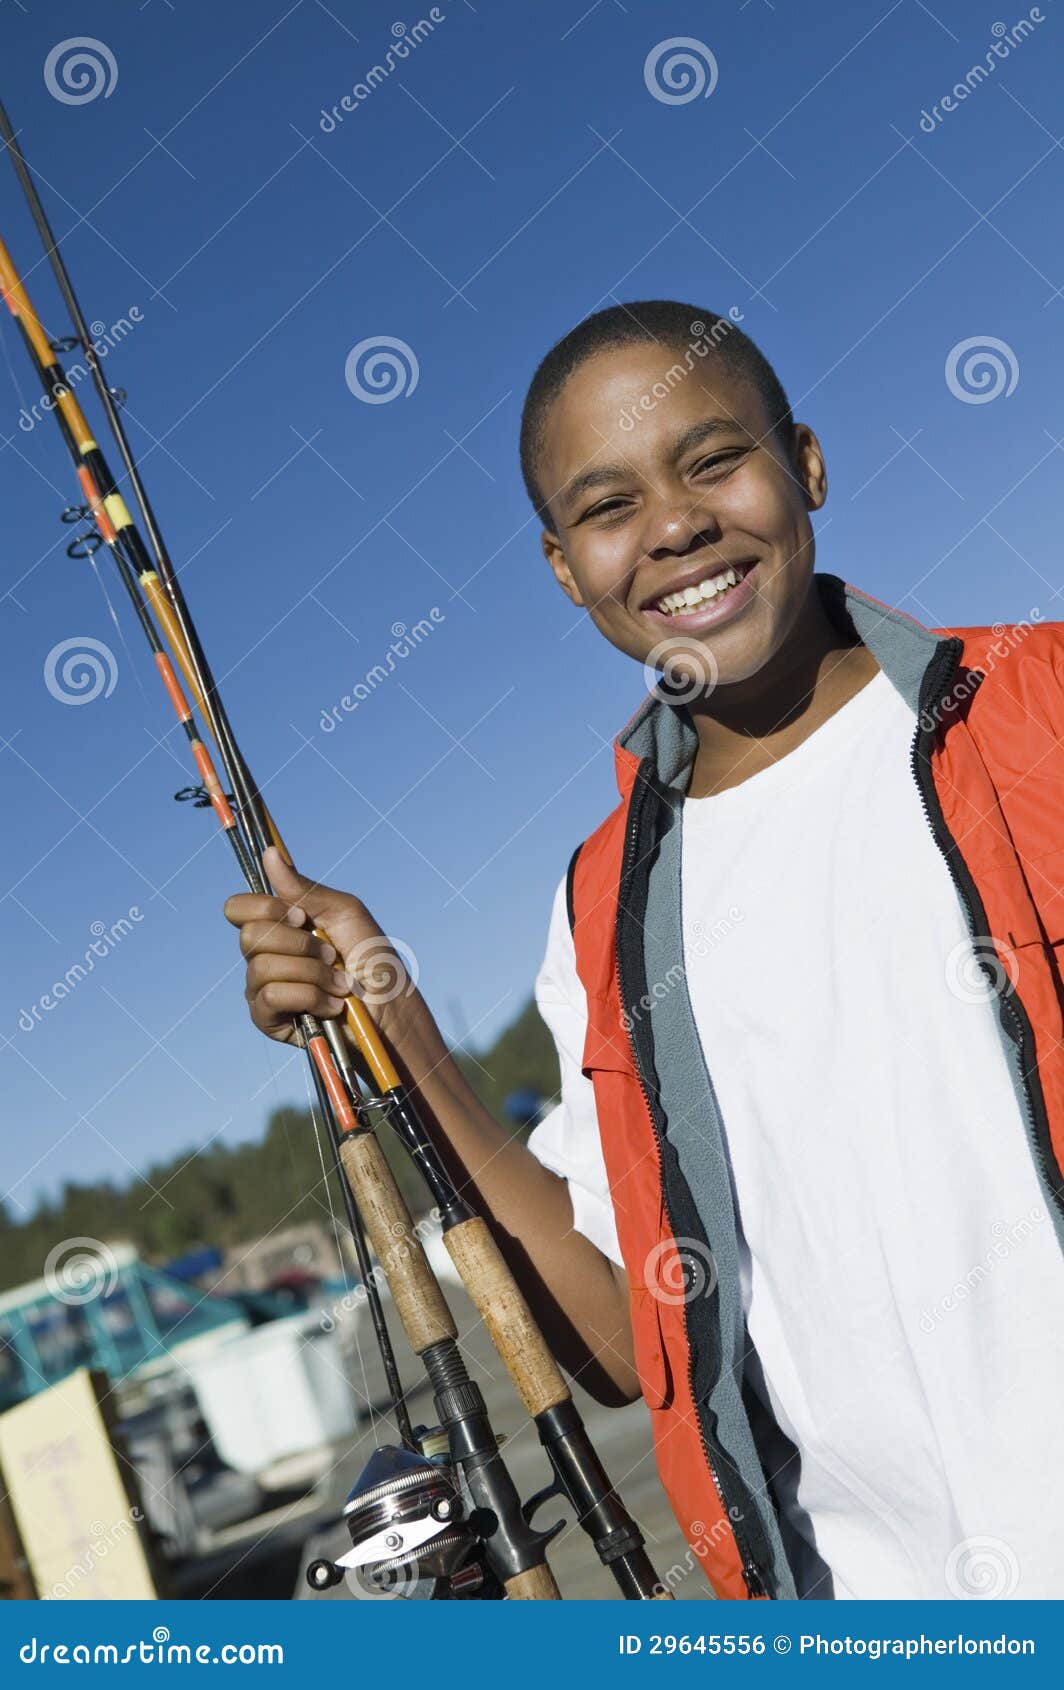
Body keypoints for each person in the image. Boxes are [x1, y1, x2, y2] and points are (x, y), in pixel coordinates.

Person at [224, 301, 1064, 1601]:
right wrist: (390, 1010)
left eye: (716, 459)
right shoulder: (600, 908)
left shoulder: (1047, 710)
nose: (675, 524)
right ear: (565, 568)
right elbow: (627, 1340)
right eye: (609, 504)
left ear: (809, 464)